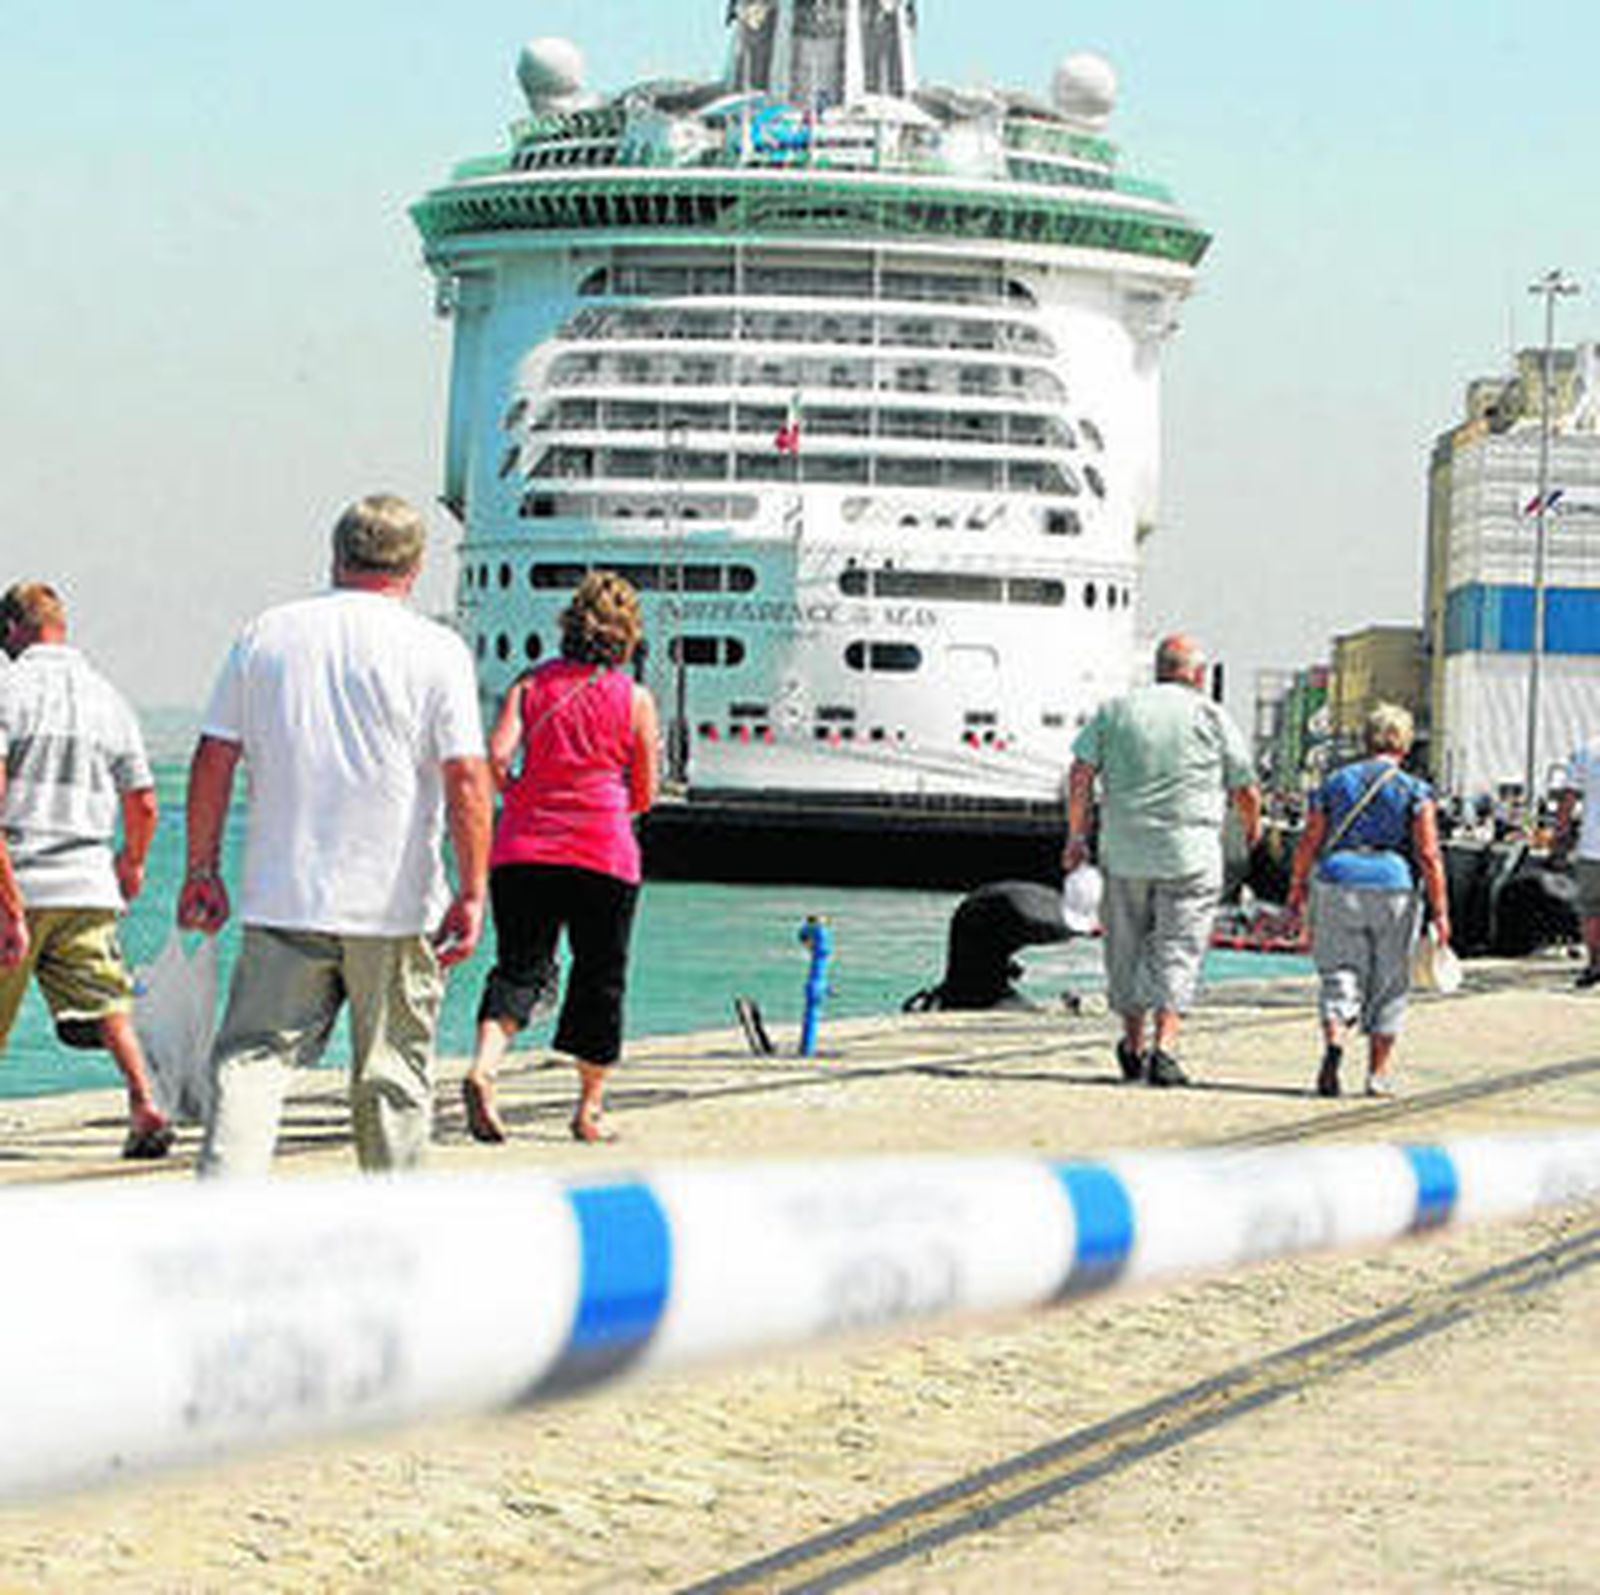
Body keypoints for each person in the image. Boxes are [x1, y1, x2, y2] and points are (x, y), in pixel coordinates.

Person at [178, 494, 491, 1176]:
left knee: (252, 1060)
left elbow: (212, 757)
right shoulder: (437, 649)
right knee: (392, 1073)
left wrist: (201, 868)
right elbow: (467, 776)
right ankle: (393, 1220)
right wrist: (472, 889)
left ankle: (223, 1204)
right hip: (396, 903)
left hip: (281, 893)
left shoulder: (267, 633)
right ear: (415, 565)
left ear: (336, 553)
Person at [461, 571, 659, 1145]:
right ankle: (589, 1111)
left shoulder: (529, 686)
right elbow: (643, 790)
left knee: (520, 967)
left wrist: (522, 794)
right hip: (603, 851)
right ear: (626, 637)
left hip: (523, 849)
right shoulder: (635, 700)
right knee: (600, 977)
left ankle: (484, 1069)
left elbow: (495, 759)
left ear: (569, 626)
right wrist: (616, 802)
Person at [0, 582, 172, 1157]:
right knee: (107, 1001)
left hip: (19, 877)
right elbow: (143, 800)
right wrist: (133, 862)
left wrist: (10, 906)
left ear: (10, 632)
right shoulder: (108, 698)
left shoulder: (7, 687)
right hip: (89, 880)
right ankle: (146, 1102)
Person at [1064, 633, 1260, 1086]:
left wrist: (1077, 834)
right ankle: (1165, 1049)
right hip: (1189, 856)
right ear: (1198, 674)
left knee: (1126, 948)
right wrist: (1252, 828)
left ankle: (1133, 1046)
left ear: (1158, 669)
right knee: (1179, 948)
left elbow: (1080, 772)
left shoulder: (1116, 711)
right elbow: (1245, 786)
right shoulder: (1211, 715)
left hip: (1124, 851)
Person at [1285, 703, 1450, 1098]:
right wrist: (1441, 911)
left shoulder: (1335, 782)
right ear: (1405, 743)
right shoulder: (1414, 790)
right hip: (1394, 885)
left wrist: (1296, 884)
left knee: (1339, 971)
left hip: (1337, 880)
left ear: (1366, 739)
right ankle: (1377, 1074)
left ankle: (1336, 1038)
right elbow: (1428, 853)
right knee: (1390, 982)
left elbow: (1310, 838)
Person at [1551, 741, 1600, 986]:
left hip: (1592, 847)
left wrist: (1560, 836)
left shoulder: (1587, 752)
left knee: (1591, 910)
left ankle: (1594, 964)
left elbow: (1567, 799)